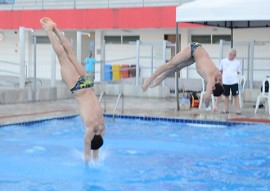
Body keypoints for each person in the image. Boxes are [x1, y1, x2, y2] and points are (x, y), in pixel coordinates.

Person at [40, 17, 105, 164]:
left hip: (88, 85)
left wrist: (97, 152)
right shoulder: (89, 128)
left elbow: (97, 142)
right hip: (79, 89)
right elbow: (88, 149)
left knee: (71, 55)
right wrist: (88, 162)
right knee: (62, 57)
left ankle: (55, 28)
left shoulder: (101, 125)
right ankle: (49, 31)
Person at [142, 42, 223, 109]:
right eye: (212, 89)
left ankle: (159, 79)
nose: (210, 88)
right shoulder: (211, 78)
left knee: (176, 68)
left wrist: (215, 105)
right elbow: (207, 97)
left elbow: (220, 93)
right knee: (171, 64)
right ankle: (149, 79)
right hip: (194, 48)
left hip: (195, 57)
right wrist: (207, 107)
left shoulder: (219, 77)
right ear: (214, 86)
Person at [218, 49, 241, 114]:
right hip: (225, 82)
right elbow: (220, 70)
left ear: (235, 56)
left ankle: (238, 110)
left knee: (236, 96)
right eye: (231, 54)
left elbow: (238, 72)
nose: (231, 56)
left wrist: (232, 76)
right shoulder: (223, 61)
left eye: (233, 55)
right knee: (226, 96)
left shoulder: (237, 62)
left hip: (234, 82)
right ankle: (226, 109)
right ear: (229, 54)